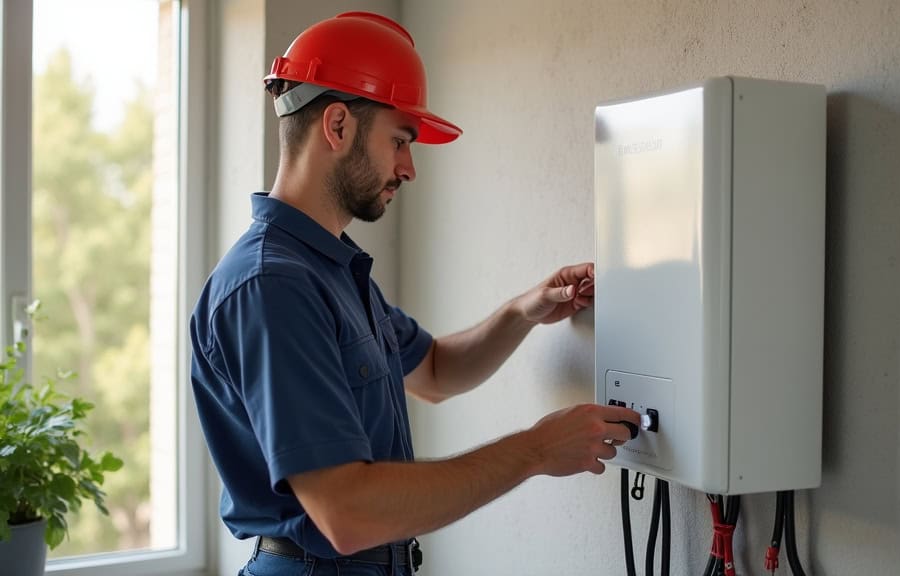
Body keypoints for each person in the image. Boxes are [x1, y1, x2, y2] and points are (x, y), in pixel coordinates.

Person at [190, 11, 639, 576]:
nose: (409, 167)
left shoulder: (330, 268)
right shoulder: (274, 285)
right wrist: (536, 450)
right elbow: (346, 513)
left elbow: (433, 371)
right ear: (336, 126)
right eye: (400, 140)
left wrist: (524, 311)